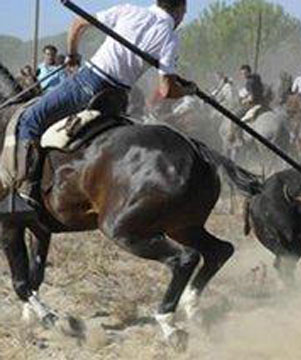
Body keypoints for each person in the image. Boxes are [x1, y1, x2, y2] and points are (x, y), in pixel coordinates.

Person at [0, 0, 196, 219]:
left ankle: (25, 194)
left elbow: (79, 23)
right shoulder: (170, 37)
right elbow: (167, 89)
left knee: (29, 118)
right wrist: (188, 90)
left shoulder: (129, 10)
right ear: (181, 10)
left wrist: (73, 55)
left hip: (88, 84)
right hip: (116, 98)